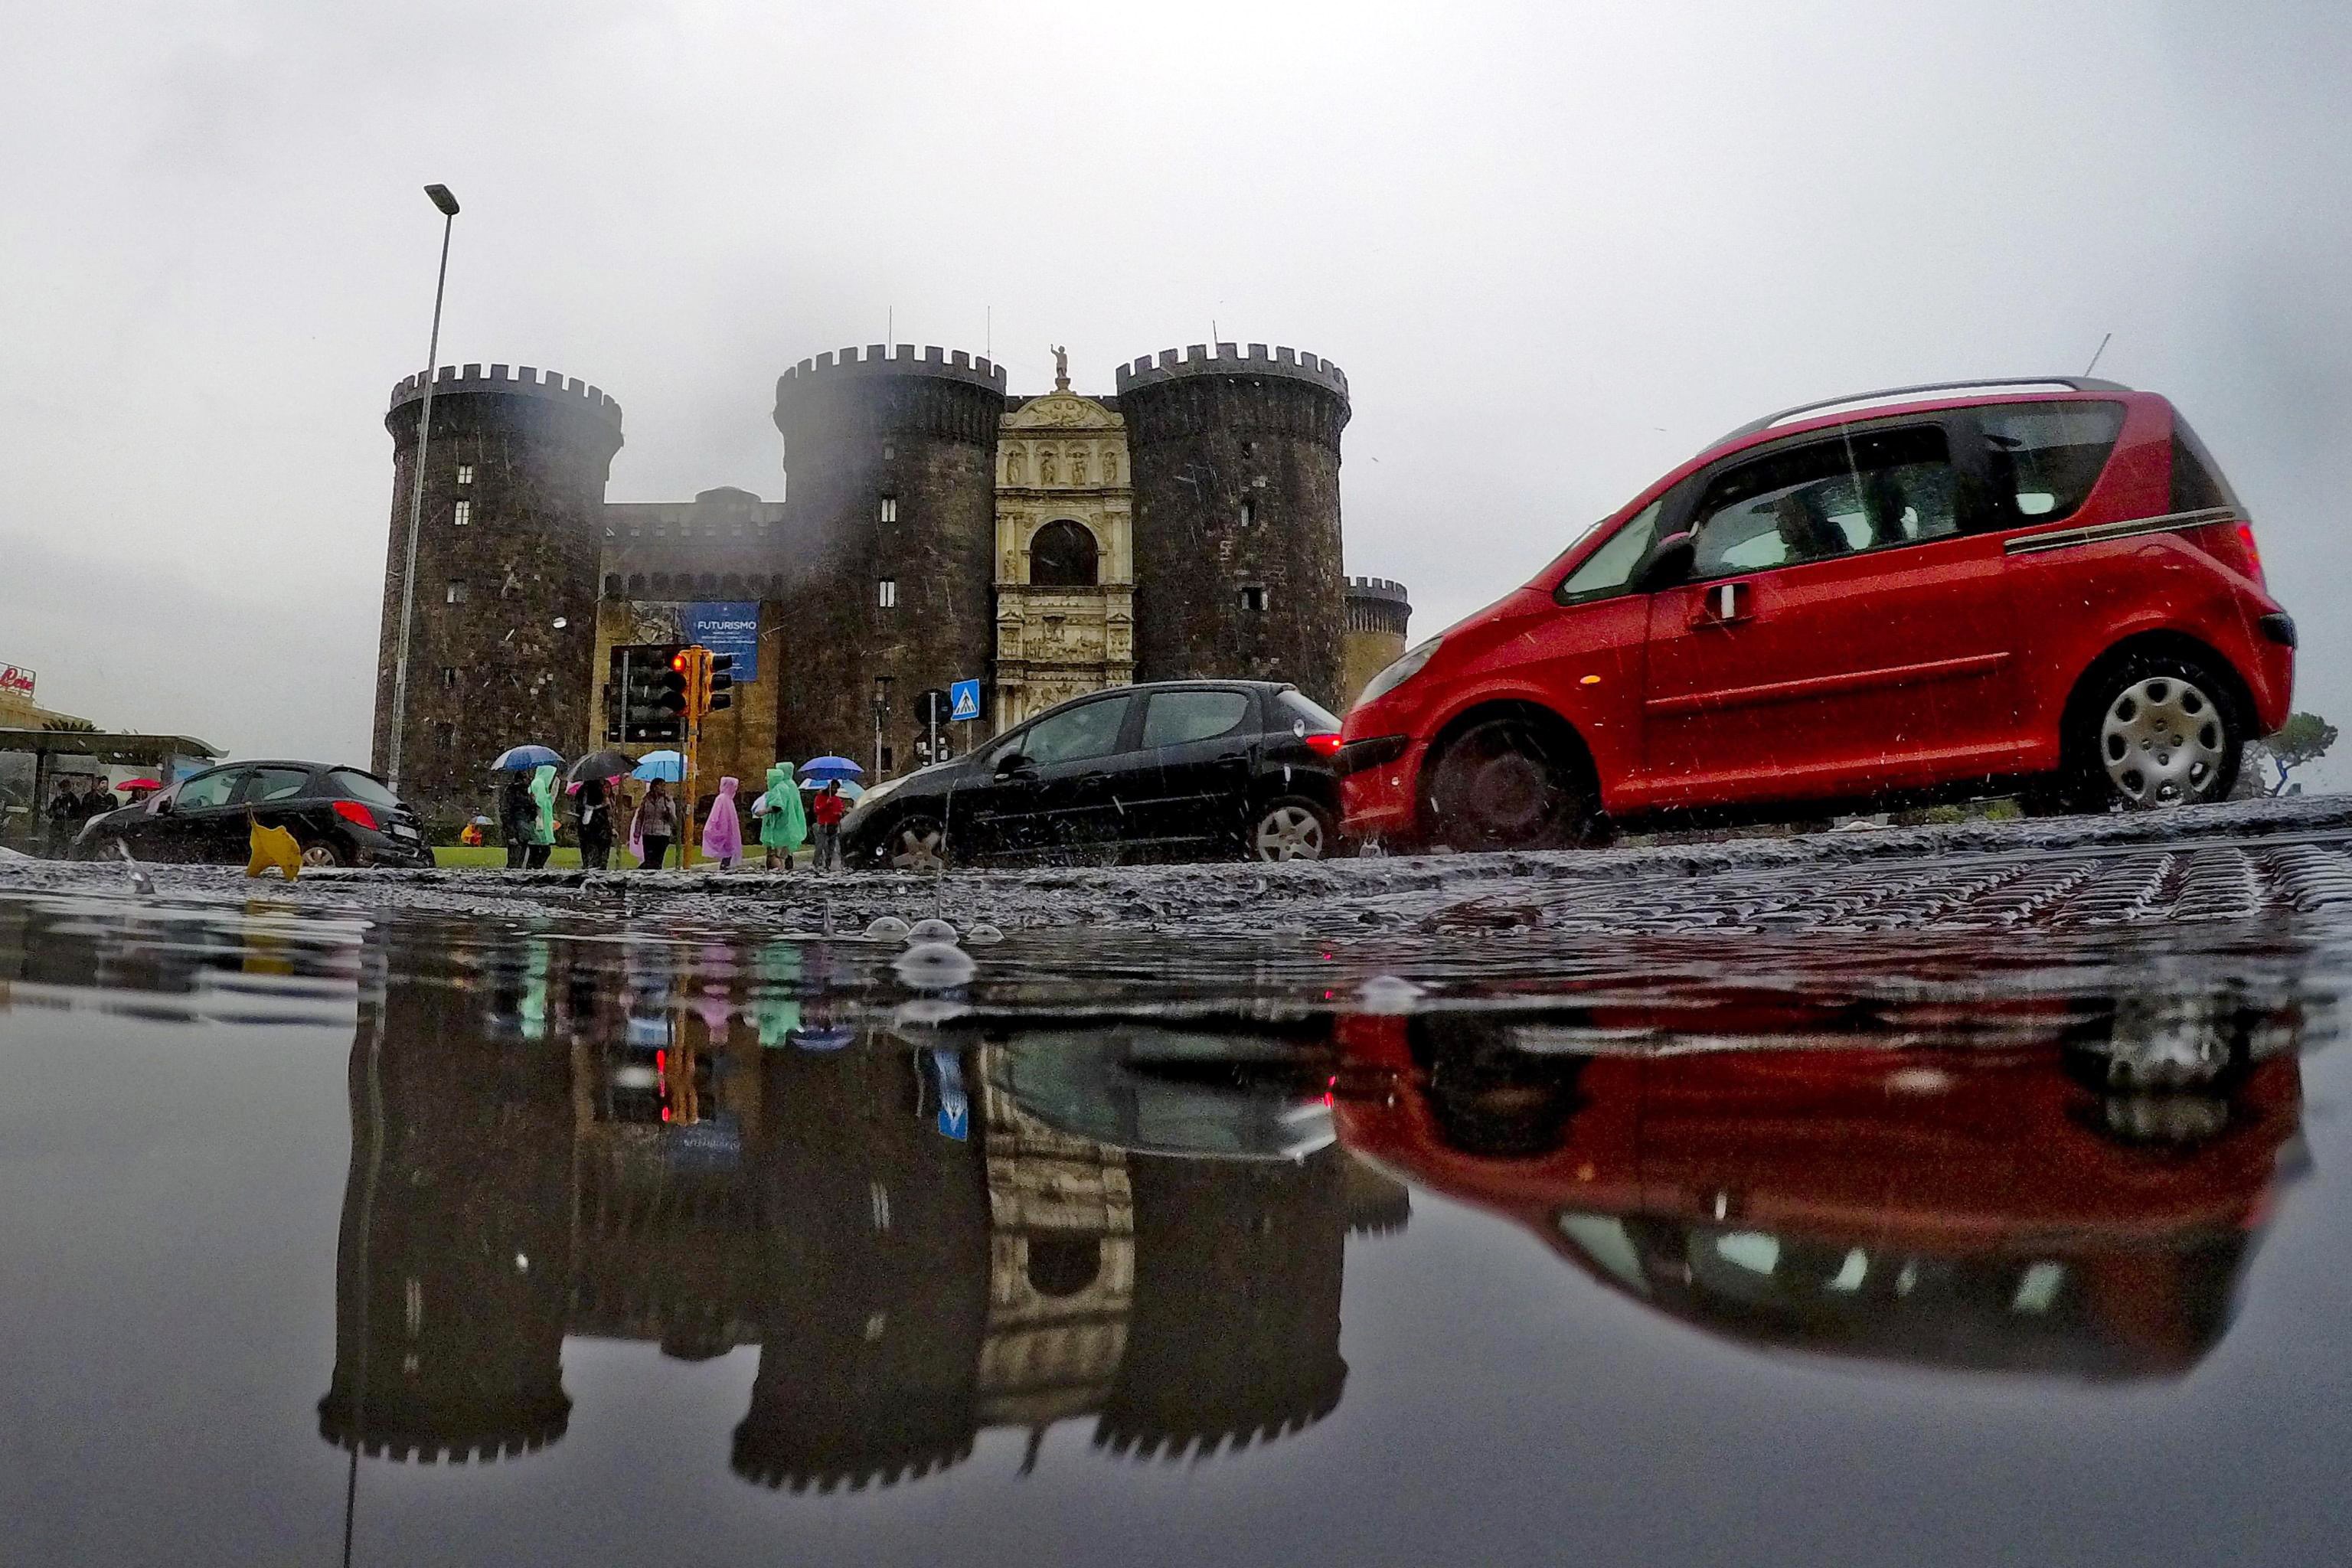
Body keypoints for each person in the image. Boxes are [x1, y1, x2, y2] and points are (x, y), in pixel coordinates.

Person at [756, 760, 808, 871]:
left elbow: (778, 806)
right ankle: (783, 871)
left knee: (774, 854)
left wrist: (764, 811)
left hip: (779, 827)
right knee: (783, 855)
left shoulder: (780, 788)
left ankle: (778, 873)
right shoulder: (791, 785)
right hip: (789, 825)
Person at [632, 778, 676, 870]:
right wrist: (637, 833)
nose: (663, 788)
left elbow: (673, 820)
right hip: (648, 834)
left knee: (658, 861)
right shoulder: (646, 799)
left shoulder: (668, 800)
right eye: (661, 785)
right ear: (655, 787)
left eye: (664, 786)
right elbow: (640, 817)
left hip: (662, 834)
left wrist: (669, 809)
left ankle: (656, 880)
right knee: (648, 860)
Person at [702, 776, 744, 871]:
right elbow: (715, 816)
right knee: (727, 854)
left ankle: (725, 869)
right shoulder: (723, 799)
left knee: (728, 854)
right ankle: (724, 870)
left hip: (727, 831)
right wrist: (711, 828)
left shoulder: (727, 799)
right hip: (724, 831)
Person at [809, 779, 850, 872]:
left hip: (834, 825)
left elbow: (840, 810)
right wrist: (826, 804)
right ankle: (815, 864)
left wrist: (840, 814)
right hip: (824, 825)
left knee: (831, 848)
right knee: (820, 845)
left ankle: (828, 865)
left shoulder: (836, 799)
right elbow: (816, 810)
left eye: (836, 788)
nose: (834, 789)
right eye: (833, 787)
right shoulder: (820, 797)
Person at [524, 763, 557, 870]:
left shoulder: (538, 783)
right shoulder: (539, 783)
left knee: (536, 850)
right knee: (543, 850)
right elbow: (541, 802)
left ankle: (533, 869)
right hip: (538, 822)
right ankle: (536, 869)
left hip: (538, 821)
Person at [498, 769, 534, 869]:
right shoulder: (511, 792)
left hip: (523, 831)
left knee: (520, 860)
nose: (529, 780)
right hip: (515, 830)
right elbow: (505, 813)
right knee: (514, 861)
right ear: (520, 780)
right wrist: (511, 834)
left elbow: (531, 813)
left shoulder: (525, 793)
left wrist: (532, 803)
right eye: (526, 778)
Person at [576, 776, 612, 871]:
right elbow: (582, 808)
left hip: (602, 829)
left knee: (601, 859)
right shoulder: (586, 790)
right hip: (590, 828)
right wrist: (601, 806)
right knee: (592, 857)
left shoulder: (602, 792)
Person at [44, 777, 82, 857]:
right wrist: (54, 812)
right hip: (57, 826)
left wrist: (74, 825)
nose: (63, 789)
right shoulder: (58, 800)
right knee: (52, 847)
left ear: (69, 787)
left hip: (68, 827)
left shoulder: (74, 800)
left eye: (65, 787)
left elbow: (78, 815)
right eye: (62, 787)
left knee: (65, 848)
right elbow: (51, 812)